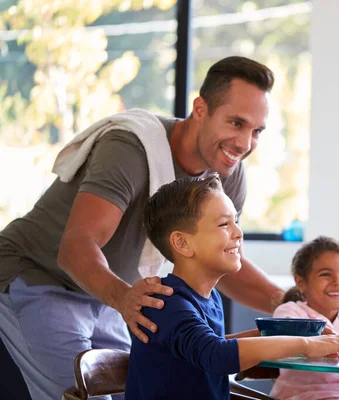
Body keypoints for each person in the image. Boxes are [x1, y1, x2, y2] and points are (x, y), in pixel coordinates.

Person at [0, 56, 285, 399]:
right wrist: (123, 298)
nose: (244, 143)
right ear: (200, 109)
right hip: (40, 276)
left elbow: (222, 255)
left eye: (257, 130)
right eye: (236, 123)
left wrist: (291, 305)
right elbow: (76, 245)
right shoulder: (131, 148)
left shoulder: (226, 171)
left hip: (106, 294)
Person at [126, 174, 339, 399]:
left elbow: (216, 344)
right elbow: (217, 355)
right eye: (224, 224)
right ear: (182, 243)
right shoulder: (165, 304)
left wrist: (295, 331)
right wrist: (304, 344)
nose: (239, 233)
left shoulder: (208, 297)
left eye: (236, 222)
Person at [269, 236, 339, 399]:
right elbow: (288, 342)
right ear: (301, 283)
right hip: (305, 395)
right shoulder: (290, 313)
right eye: (326, 274)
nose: (338, 282)